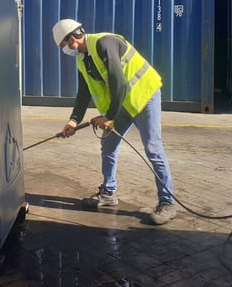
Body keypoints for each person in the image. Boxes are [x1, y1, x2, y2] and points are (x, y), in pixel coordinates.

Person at [52, 18, 176, 225]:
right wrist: (73, 121)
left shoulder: (104, 43)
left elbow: (119, 83)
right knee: (108, 144)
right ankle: (108, 193)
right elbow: (83, 93)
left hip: (144, 97)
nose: (65, 49)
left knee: (153, 149)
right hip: (122, 105)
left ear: (72, 39)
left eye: (64, 45)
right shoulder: (82, 59)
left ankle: (167, 203)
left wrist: (108, 116)